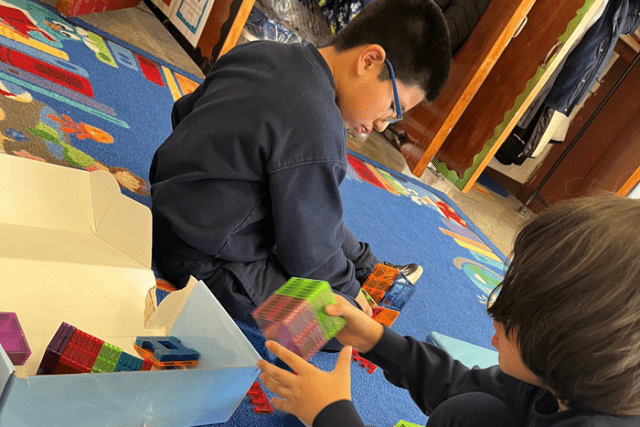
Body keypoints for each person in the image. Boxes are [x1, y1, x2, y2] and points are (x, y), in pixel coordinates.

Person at [149, 0, 451, 323]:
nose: (382, 124)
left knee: (316, 206)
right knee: (333, 320)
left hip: (169, 207)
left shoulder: (263, 52)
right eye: (392, 106)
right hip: (203, 262)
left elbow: (184, 112)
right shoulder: (318, 124)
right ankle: (357, 283)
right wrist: (349, 294)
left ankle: (370, 266)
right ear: (369, 60)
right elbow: (309, 258)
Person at [257, 195, 640, 426]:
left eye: (520, 309)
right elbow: (460, 386)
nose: (495, 309)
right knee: (473, 411)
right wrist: (373, 339)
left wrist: (331, 414)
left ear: (575, 343)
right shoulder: (564, 380)